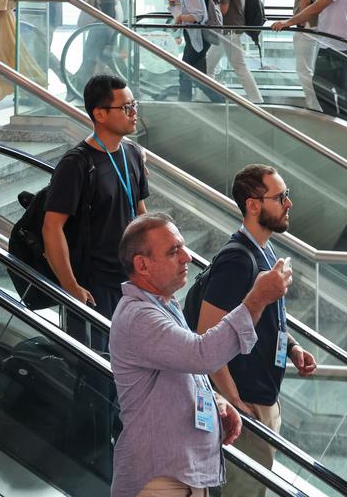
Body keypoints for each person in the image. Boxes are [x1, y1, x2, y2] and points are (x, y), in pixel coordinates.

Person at [109, 212, 293, 497]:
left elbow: (182, 370)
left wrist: (216, 401)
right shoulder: (138, 316)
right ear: (142, 265)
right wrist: (257, 299)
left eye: (183, 247)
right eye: (174, 251)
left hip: (184, 474)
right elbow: (201, 354)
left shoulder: (163, 306)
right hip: (159, 479)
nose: (188, 257)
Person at [196, 165, 317, 497]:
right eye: (280, 197)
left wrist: (292, 348)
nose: (288, 204)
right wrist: (234, 400)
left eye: (287, 195)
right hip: (246, 403)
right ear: (253, 205)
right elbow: (207, 337)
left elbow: (265, 316)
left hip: (264, 397)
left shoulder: (265, 249)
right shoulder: (237, 261)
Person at [43, 74, 147, 326]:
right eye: (125, 107)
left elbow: (140, 211)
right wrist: (71, 286)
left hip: (131, 281)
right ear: (99, 114)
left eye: (134, 105)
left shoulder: (132, 152)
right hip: (94, 286)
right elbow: (52, 227)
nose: (133, 112)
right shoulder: (76, 164)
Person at [206, 0, 263, 103]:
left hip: (228, 29)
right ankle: (211, 97)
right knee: (209, 66)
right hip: (233, 28)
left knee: (237, 66)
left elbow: (223, 9)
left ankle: (257, 102)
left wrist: (209, 12)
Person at [284, 0, 326, 112]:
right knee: (309, 69)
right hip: (316, 24)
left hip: (308, 25)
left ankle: (315, 108)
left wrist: (298, 22)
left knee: (303, 70)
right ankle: (316, 106)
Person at [174, 0, 219, 103]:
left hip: (197, 38)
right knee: (196, 75)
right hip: (199, 38)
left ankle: (185, 104)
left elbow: (198, 15)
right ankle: (220, 100)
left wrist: (181, 17)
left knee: (187, 73)